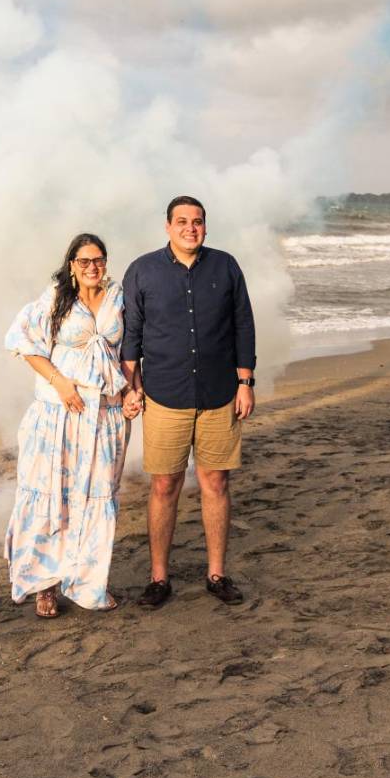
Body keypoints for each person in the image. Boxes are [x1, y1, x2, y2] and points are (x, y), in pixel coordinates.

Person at [121, 196, 256, 607]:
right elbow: (132, 334)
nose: (190, 228)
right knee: (164, 485)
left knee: (216, 482)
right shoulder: (143, 270)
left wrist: (245, 381)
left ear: (205, 227)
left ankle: (217, 574)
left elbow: (243, 324)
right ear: (167, 227)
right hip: (164, 396)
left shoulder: (226, 266)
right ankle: (159, 578)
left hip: (219, 395)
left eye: (197, 222)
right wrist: (131, 385)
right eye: (182, 221)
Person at [4, 233, 142, 617]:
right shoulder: (54, 299)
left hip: (107, 414)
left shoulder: (119, 298)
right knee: (52, 495)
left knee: (99, 497)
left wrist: (133, 390)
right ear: (72, 266)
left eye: (98, 260)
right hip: (59, 412)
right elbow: (22, 341)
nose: (93, 267)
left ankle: (87, 583)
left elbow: (130, 351)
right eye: (84, 262)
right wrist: (60, 383)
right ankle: (44, 585)